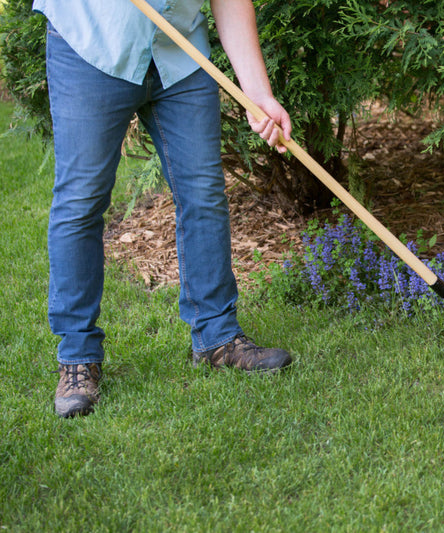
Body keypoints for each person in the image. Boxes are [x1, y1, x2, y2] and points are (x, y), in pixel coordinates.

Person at [33, 0, 294, 418]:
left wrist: (256, 92)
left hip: (180, 53)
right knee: (81, 202)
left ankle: (217, 337)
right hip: (92, 46)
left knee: (204, 194)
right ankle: (77, 357)